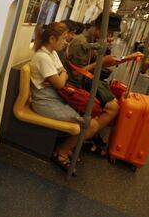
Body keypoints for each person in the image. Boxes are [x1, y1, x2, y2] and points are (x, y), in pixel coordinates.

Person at [67, 13, 143, 155]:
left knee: (114, 96)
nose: (110, 38)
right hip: (75, 83)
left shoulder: (91, 41)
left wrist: (128, 58)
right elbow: (76, 74)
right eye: (108, 33)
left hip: (87, 78)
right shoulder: (81, 42)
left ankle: (88, 135)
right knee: (113, 107)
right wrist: (100, 63)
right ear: (98, 28)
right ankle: (80, 140)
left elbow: (108, 59)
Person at [30, 22, 100, 171]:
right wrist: (62, 75)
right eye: (63, 38)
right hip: (44, 101)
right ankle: (61, 151)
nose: (66, 42)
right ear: (52, 39)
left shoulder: (52, 53)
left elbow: (63, 74)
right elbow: (61, 83)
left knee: (90, 118)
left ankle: (66, 146)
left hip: (54, 97)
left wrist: (62, 75)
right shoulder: (42, 57)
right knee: (91, 125)